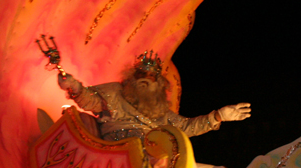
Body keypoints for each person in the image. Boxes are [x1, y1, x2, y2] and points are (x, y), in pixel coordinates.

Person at [57, 51, 251, 142]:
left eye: (151, 77)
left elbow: (185, 127)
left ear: (158, 83)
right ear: (133, 77)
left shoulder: (160, 111)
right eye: (142, 75)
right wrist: (73, 86)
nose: (146, 80)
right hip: (118, 150)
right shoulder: (114, 92)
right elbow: (90, 100)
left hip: (152, 152)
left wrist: (218, 116)